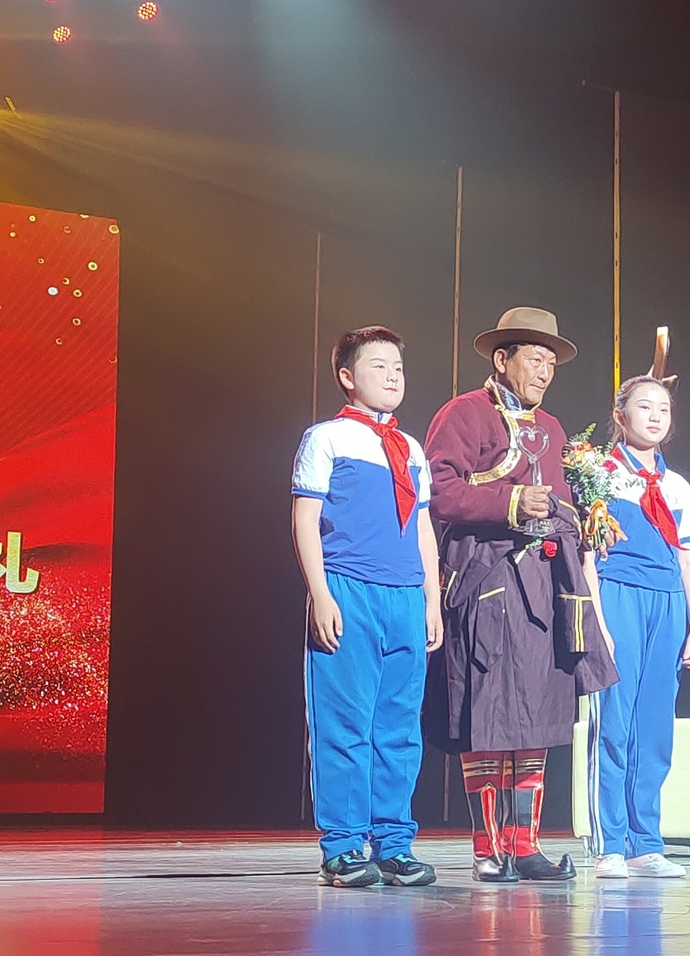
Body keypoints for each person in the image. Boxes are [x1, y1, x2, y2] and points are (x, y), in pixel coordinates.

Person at [423, 306, 619, 883]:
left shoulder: (552, 429)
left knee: (537, 711)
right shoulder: (465, 413)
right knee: (489, 713)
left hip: (542, 586)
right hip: (485, 580)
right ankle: (488, 850)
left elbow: (559, 502)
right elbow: (439, 490)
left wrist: (582, 521)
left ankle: (525, 845)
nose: (544, 371)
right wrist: (510, 502)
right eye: (534, 359)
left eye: (551, 362)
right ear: (502, 358)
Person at [290, 326, 442, 889]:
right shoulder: (326, 438)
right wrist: (320, 593)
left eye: (398, 366)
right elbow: (305, 520)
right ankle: (344, 846)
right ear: (347, 377)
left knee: (399, 728)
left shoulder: (412, 448)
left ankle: (395, 844)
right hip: (349, 589)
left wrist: (432, 598)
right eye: (378, 365)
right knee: (345, 722)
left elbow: (423, 528)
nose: (393, 375)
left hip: (405, 596)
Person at [587, 376, 690, 880]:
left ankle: (645, 843)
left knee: (654, 728)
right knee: (614, 724)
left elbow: (687, 556)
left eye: (664, 408)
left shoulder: (677, 486)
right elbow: (587, 554)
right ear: (620, 416)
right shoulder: (598, 473)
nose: (656, 416)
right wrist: (597, 620)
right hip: (618, 595)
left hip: (668, 603)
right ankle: (610, 844)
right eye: (644, 406)